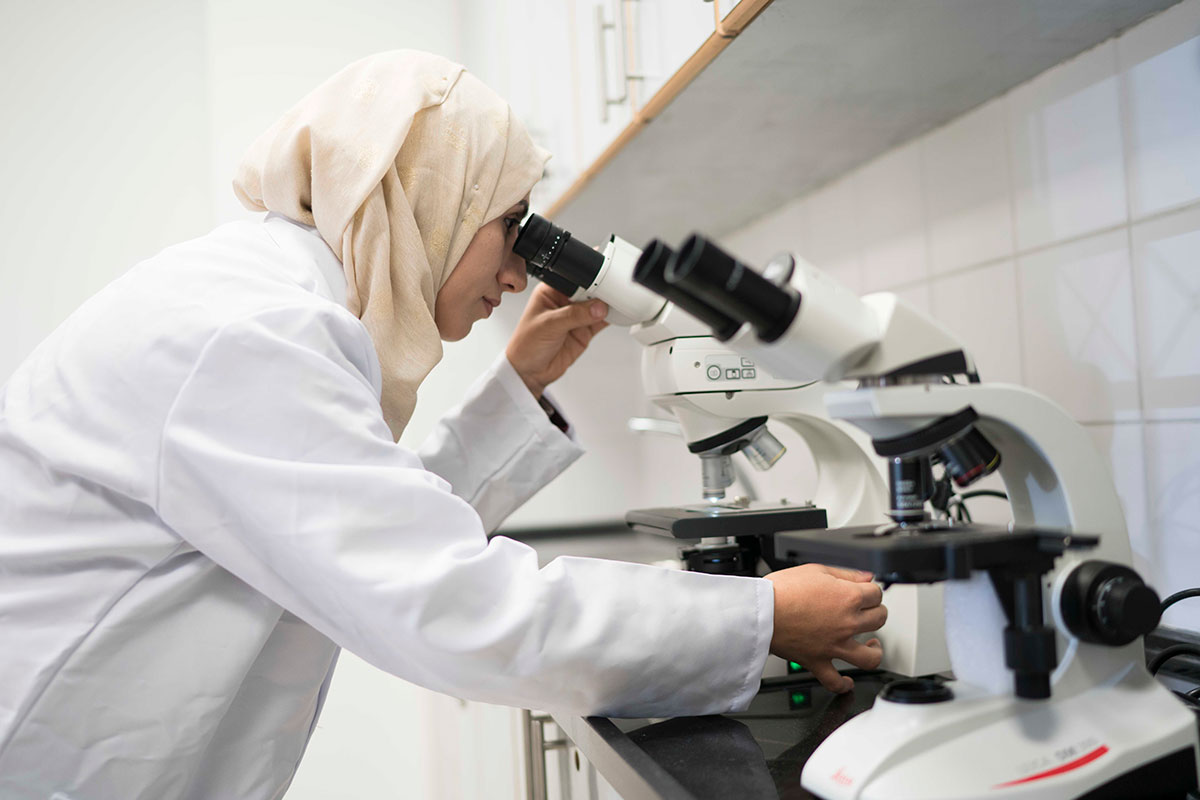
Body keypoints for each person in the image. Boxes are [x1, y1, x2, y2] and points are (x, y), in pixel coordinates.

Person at [0, 51, 886, 799]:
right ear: (428, 201)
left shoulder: (268, 303)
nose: (517, 270)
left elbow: (364, 534)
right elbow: (447, 603)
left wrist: (519, 383)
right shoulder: (251, 334)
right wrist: (758, 616)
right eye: (510, 224)